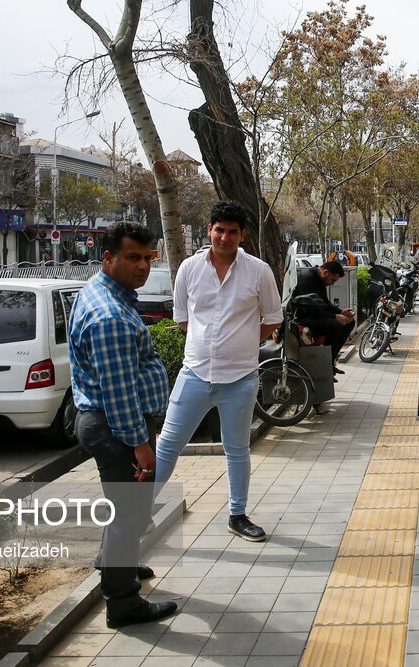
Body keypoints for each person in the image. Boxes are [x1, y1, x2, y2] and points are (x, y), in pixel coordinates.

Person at [67, 221, 177, 629]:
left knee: (123, 512)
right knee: (127, 515)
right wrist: (141, 446)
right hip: (117, 428)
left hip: (106, 422)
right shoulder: (110, 315)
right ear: (108, 258)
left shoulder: (104, 292)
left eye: (149, 257)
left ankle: (119, 566)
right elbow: (119, 392)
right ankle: (123, 602)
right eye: (133, 257)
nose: (144, 266)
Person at [155, 201, 283, 542]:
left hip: (240, 379)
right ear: (210, 230)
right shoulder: (189, 269)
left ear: (242, 235)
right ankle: (140, 514)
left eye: (232, 231)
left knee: (237, 449)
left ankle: (237, 515)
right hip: (194, 374)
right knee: (167, 444)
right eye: (219, 230)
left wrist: (243, 343)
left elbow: (273, 318)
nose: (224, 237)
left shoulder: (259, 271)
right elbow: (182, 317)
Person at [291, 260, 354, 377]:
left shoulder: (320, 279)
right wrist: (334, 317)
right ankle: (326, 364)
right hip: (304, 317)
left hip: (315, 315)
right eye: (333, 280)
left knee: (349, 322)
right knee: (336, 326)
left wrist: (341, 312)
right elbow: (309, 309)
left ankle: (331, 361)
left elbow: (324, 302)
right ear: (325, 272)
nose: (333, 284)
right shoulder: (307, 278)